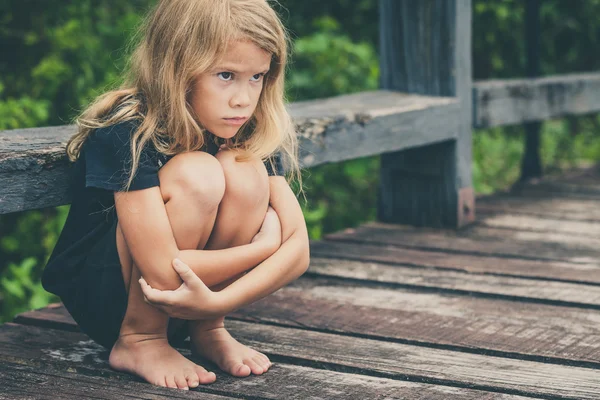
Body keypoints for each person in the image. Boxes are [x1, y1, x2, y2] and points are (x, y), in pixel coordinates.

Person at [41, 0, 310, 391]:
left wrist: (215, 307)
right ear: (178, 68)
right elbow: (165, 270)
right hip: (111, 296)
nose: (243, 98)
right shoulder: (129, 129)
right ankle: (141, 339)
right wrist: (265, 247)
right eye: (226, 75)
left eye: (257, 77)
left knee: (243, 170)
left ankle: (207, 330)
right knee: (197, 174)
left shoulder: (247, 129)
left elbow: (299, 251)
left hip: (193, 299)